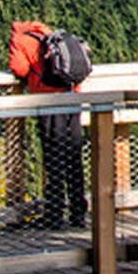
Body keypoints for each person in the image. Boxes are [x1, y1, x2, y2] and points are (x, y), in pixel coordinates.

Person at [8, 19, 87, 229]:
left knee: (54, 159)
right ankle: (78, 212)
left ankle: (55, 213)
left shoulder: (21, 39)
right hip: (72, 97)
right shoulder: (49, 33)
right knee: (74, 157)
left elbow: (19, 69)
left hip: (50, 101)